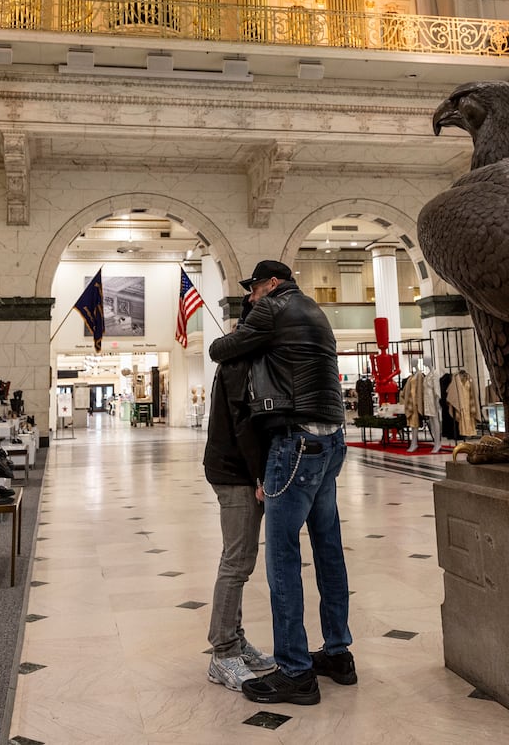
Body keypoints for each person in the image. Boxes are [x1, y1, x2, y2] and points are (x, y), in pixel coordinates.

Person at [209, 259, 353, 706]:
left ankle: (294, 670)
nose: (249, 298)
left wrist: (244, 329)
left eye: (253, 289)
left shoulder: (272, 308)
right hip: (332, 440)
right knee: (328, 548)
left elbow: (217, 348)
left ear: (272, 284)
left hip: (297, 443)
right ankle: (337, 653)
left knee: (283, 558)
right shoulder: (315, 311)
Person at [201, 298, 276, 691]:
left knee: (240, 558)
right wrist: (258, 474)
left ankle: (237, 638)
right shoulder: (238, 364)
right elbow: (244, 425)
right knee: (237, 562)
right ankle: (223, 652)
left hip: (234, 470)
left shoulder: (240, 359)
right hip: (235, 474)